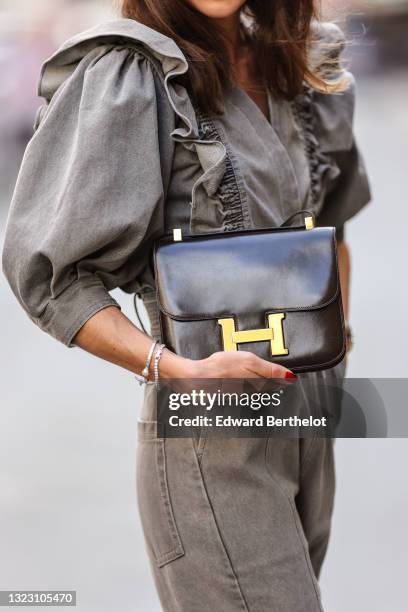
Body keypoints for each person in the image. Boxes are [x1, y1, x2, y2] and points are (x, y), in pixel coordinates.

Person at [2, 1, 370, 610]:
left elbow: (331, 224)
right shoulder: (127, 72)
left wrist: (336, 345)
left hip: (310, 421)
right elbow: (52, 277)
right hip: (211, 434)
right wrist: (175, 369)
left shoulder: (299, 62)